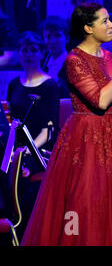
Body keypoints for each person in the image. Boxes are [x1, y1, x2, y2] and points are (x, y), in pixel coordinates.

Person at [21, 3, 112, 246]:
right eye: (105, 21)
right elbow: (101, 100)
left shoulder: (108, 56)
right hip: (87, 139)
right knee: (86, 201)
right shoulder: (74, 60)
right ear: (88, 28)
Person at [6, 31, 60, 238]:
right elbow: (11, 123)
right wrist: (10, 150)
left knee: (19, 175)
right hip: (16, 148)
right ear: (19, 53)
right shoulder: (14, 85)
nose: (28, 54)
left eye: (33, 50)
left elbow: (49, 129)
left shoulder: (51, 86)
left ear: (41, 53)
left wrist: (26, 152)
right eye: (24, 50)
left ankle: (24, 231)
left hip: (39, 151)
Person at [40, 16, 70, 98]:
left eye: (57, 36)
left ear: (67, 38)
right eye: (48, 36)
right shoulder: (41, 63)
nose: (52, 41)